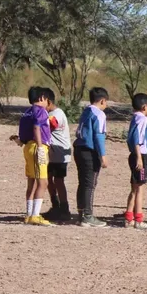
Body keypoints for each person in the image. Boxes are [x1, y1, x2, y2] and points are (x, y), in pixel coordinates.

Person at [73, 87, 110, 228]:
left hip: (79, 149)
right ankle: (88, 216)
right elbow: (99, 136)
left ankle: (81, 214)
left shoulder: (86, 111)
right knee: (90, 183)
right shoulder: (99, 114)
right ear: (102, 100)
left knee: (82, 182)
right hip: (89, 151)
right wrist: (103, 155)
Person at [18, 87, 53, 226]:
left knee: (32, 182)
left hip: (27, 147)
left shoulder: (26, 112)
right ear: (41, 98)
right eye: (46, 99)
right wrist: (40, 147)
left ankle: (28, 214)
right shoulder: (41, 111)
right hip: (37, 146)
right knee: (43, 182)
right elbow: (37, 127)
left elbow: (23, 133)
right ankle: (35, 215)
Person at [124, 93, 147, 229]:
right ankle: (139, 219)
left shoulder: (134, 118)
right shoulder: (142, 120)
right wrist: (139, 158)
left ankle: (128, 218)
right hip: (140, 155)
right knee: (140, 188)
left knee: (134, 188)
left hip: (134, 155)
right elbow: (137, 139)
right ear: (144, 107)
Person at [44, 90, 72, 222]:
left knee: (59, 181)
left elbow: (51, 124)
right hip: (52, 155)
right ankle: (55, 205)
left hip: (60, 155)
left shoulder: (57, 114)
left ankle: (64, 209)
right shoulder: (49, 114)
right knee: (48, 179)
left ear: (48, 101)